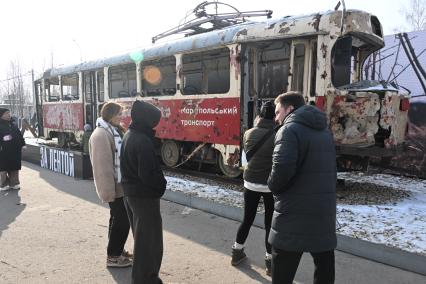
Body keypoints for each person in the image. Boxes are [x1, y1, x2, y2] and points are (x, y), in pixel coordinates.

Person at [267, 92, 337, 284]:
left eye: (278, 111)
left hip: (292, 213)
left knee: (282, 272)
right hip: (323, 212)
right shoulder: (324, 131)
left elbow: (281, 170)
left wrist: (273, 187)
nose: (276, 117)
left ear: (289, 109)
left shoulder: (289, 130)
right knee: (324, 270)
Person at [120, 100, 167, 284]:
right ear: (147, 120)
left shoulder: (129, 135)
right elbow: (147, 175)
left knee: (143, 241)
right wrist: (161, 185)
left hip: (131, 195)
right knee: (150, 244)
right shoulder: (143, 140)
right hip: (144, 198)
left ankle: (145, 278)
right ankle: (146, 280)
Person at [231, 101, 276, 276]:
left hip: (249, 183)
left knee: (247, 219)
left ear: (260, 115)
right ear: (274, 117)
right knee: (269, 224)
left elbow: (246, 158)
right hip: (269, 186)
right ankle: (270, 263)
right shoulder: (277, 135)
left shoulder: (248, 133)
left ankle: (236, 252)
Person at [88, 102, 132, 268]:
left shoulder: (113, 130)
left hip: (120, 185)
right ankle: (113, 256)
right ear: (110, 115)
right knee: (121, 220)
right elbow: (102, 167)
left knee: (118, 219)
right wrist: (108, 192)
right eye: (118, 114)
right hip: (114, 187)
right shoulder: (101, 135)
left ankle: (117, 250)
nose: (121, 117)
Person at [0, 108, 26, 191]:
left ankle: (14, 183)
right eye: (6, 113)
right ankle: (3, 184)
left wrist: (23, 144)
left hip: (15, 150)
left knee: (14, 168)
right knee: (3, 168)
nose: (9, 114)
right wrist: (4, 139)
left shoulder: (13, 123)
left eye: (9, 113)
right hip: (3, 151)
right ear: (1, 115)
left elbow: (19, 134)